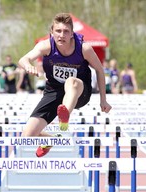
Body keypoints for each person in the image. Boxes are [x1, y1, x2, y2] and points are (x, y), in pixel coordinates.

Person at [18, 13, 111, 157]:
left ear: (72, 34)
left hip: (79, 92)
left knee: (71, 82)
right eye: (58, 31)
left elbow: (99, 69)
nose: (62, 35)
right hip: (54, 92)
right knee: (27, 137)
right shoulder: (46, 46)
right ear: (52, 32)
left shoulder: (84, 48)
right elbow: (24, 59)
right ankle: (50, 140)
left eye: (66, 31)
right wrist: (27, 65)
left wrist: (103, 100)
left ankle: (63, 120)